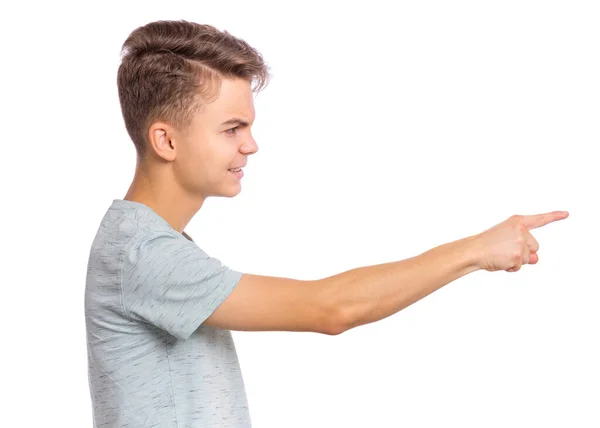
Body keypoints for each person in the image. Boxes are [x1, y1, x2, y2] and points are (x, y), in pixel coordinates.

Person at [84, 19, 569, 428]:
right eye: (232, 128)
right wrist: (477, 250)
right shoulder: (142, 253)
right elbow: (331, 309)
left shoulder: (153, 244)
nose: (251, 145)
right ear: (166, 141)